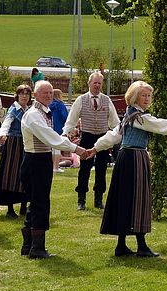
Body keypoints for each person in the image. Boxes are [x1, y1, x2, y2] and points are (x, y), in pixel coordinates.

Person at [88, 81, 167, 257]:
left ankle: (122, 244)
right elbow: (162, 126)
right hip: (134, 159)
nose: (147, 99)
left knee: (124, 199)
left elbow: (115, 135)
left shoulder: (131, 115)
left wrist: (95, 148)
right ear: (135, 96)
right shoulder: (139, 117)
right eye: (143, 95)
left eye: (148, 96)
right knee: (138, 200)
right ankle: (141, 245)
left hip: (126, 159)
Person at [20, 81, 87, 258]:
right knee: (40, 203)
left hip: (40, 160)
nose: (49, 96)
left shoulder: (43, 112)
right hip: (35, 161)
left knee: (36, 202)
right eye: (44, 93)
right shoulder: (34, 115)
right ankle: (37, 248)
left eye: (50, 93)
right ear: (35, 95)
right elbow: (50, 138)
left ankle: (28, 245)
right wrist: (76, 149)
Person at [62, 72, 120, 210]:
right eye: (95, 83)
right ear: (89, 83)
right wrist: (65, 133)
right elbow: (72, 119)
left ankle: (98, 200)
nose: (97, 85)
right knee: (84, 169)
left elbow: (115, 122)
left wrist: (118, 133)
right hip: (87, 137)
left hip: (103, 138)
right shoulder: (81, 100)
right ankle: (81, 200)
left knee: (101, 169)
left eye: (100, 83)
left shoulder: (107, 100)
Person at [0, 85, 32, 218]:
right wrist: (2, 135)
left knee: (26, 174)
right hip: (14, 144)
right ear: (17, 95)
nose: (24, 96)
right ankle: (10, 208)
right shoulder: (13, 110)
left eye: (27, 94)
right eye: (22, 94)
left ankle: (24, 206)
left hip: (26, 144)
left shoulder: (29, 110)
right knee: (11, 175)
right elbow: (6, 123)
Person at [49, 89, 69, 173]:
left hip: (50, 128)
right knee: (57, 148)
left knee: (51, 149)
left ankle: (52, 166)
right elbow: (65, 116)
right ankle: (56, 167)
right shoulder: (60, 105)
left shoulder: (49, 105)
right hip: (59, 128)